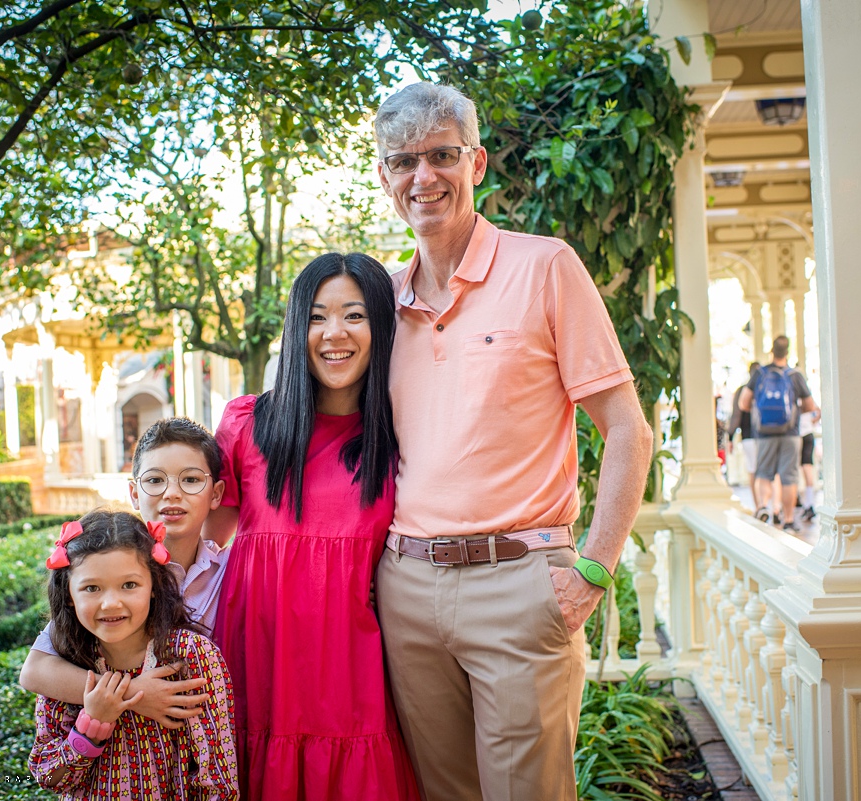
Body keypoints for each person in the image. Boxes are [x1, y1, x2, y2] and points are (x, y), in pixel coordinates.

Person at [370, 82, 654, 801]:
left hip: (521, 580)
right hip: (406, 587)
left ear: (478, 163)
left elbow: (627, 427)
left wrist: (594, 566)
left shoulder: (544, 267)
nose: (422, 177)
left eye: (441, 155)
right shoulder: (380, 301)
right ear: (384, 176)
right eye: (403, 161)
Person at [205, 253, 418, 801]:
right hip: (257, 660)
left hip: (352, 670)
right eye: (318, 317)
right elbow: (204, 542)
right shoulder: (247, 423)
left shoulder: (400, 436)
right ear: (297, 328)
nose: (334, 334)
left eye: (355, 315)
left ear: (382, 327)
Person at [21, 418, 228, 730]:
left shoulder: (230, 570)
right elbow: (35, 670)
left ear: (215, 493)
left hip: (205, 740)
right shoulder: (111, 569)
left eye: (190, 480)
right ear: (134, 493)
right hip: (121, 741)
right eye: (155, 481)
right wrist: (134, 693)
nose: (171, 493)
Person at [28, 510, 238, 799]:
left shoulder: (191, 657)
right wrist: (92, 724)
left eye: (129, 585)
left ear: (153, 584)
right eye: (91, 588)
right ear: (68, 595)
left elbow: (217, 779)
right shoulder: (66, 664)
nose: (111, 603)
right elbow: (50, 776)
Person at [738, 335, 816, 532]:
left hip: (764, 434)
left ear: (771, 351)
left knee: (764, 474)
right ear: (787, 352)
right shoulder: (794, 375)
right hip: (790, 433)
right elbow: (810, 406)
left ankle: (764, 505)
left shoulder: (759, 374)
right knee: (789, 477)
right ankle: (788, 519)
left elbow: (743, 403)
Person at [728, 362, 761, 509]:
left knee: (753, 470)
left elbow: (736, 416)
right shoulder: (763, 388)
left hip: (748, 437)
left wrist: (730, 437)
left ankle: (759, 505)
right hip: (765, 437)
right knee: (768, 472)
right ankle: (772, 506)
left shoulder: (742, 390)